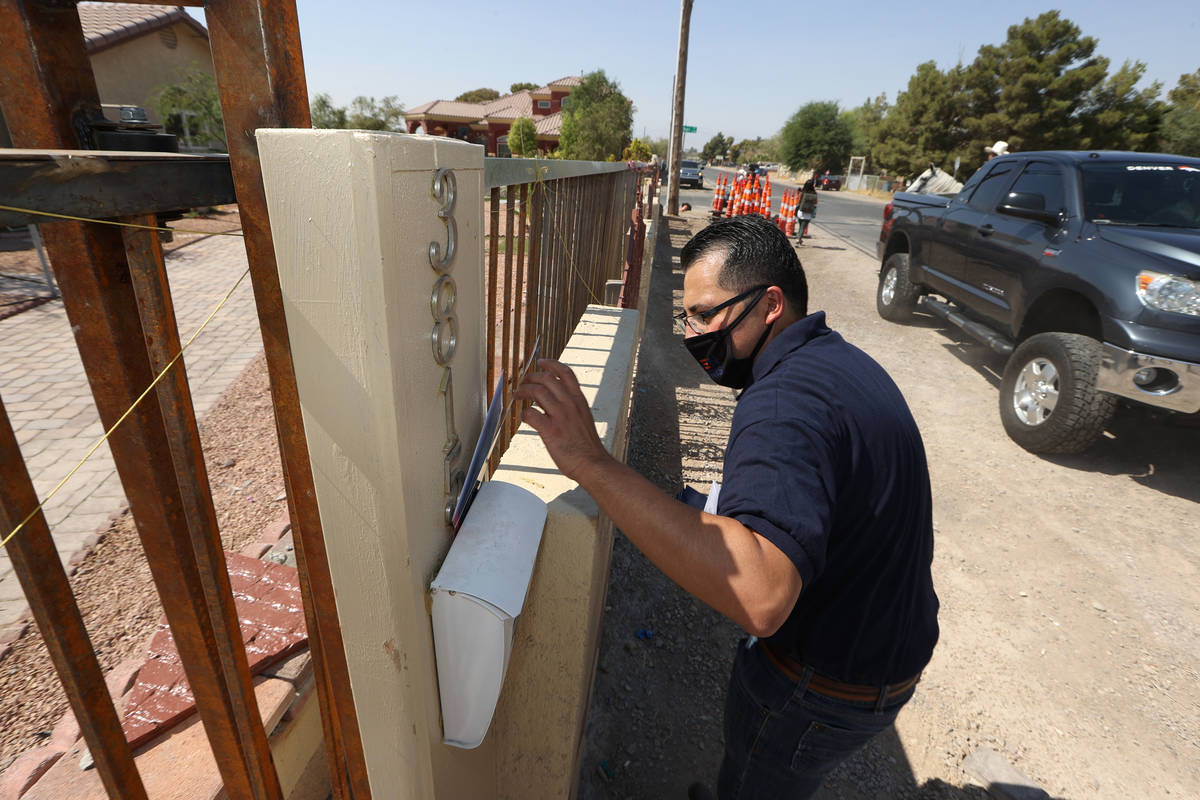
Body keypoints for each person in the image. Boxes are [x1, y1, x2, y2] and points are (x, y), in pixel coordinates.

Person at [517, 215, 939, 800]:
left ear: (770, 304)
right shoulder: (839, 365)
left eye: (707, 313)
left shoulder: (780, 403)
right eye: (687, 316)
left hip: (821, 684)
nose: (693, 334)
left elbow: (761, 596)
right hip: (882, 656)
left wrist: (591, 462)